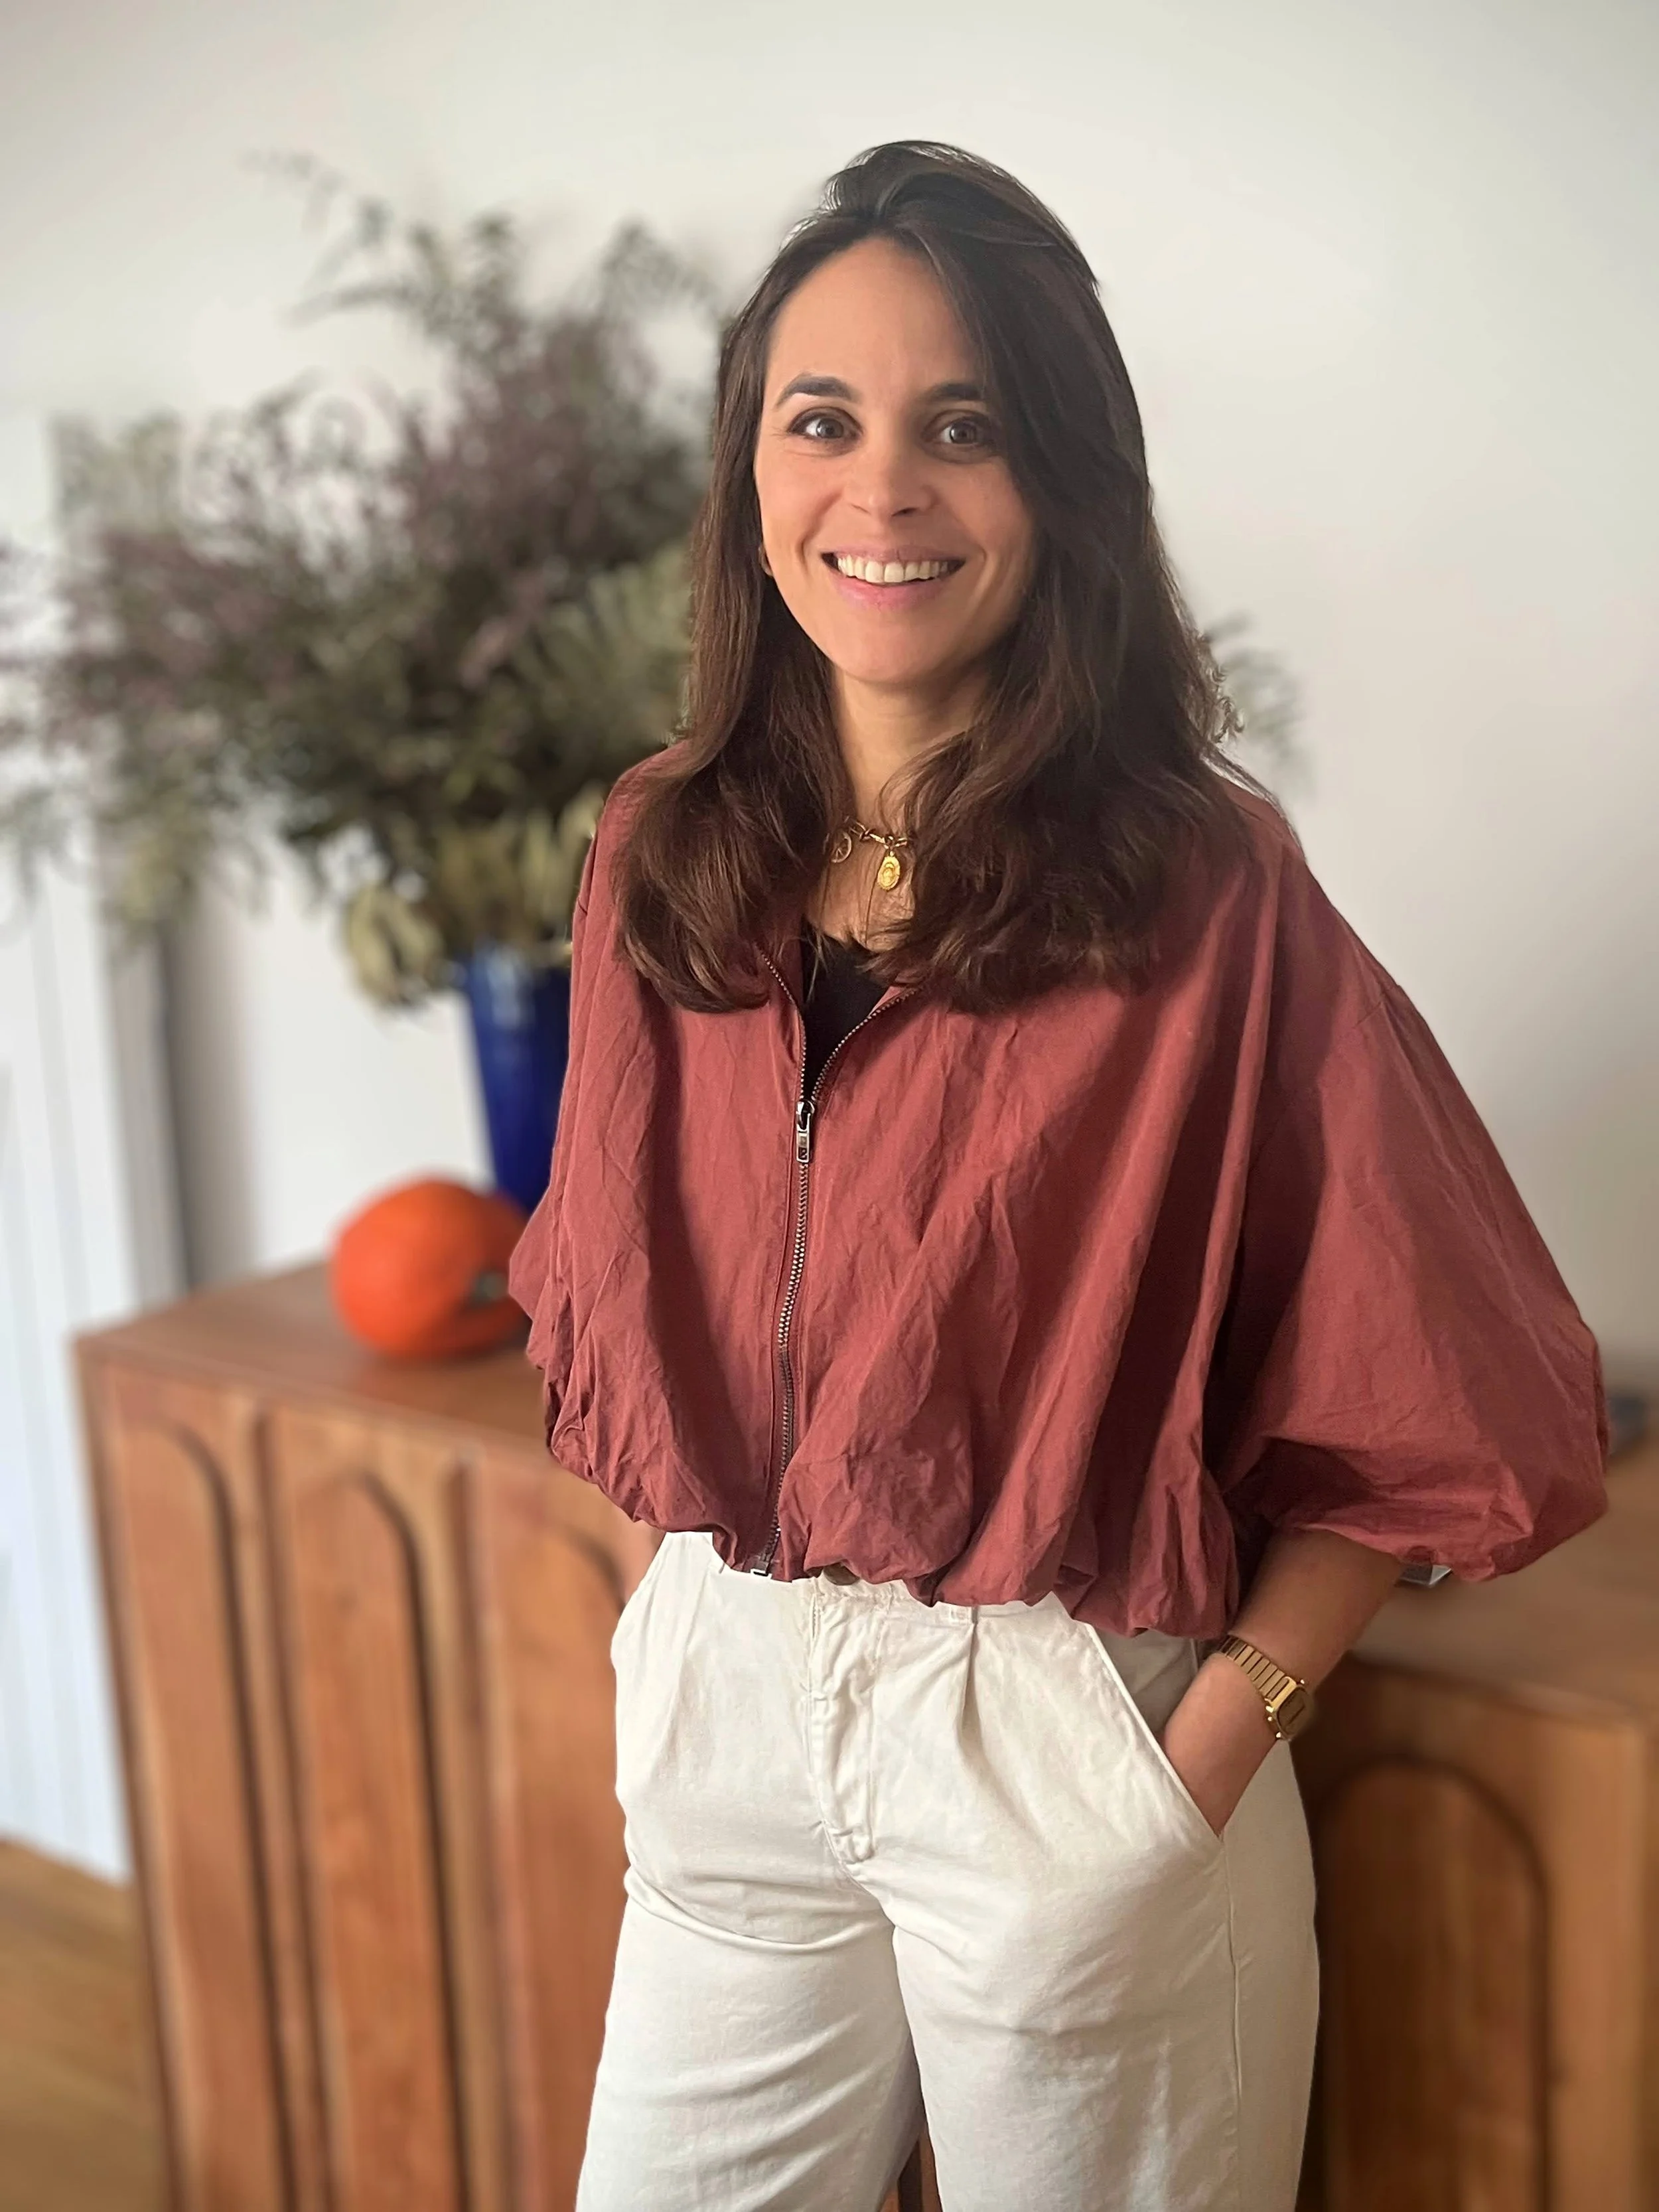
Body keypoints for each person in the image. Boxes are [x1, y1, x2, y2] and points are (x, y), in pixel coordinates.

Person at [508, 141, 1607, 2212]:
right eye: (817, 419)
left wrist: (1196, 1756)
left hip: (1065, 1730)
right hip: (727, 1710)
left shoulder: (1202, 892)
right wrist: (680, 1648)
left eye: (965, 428)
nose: (881, 487)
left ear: (1064, 487)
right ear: (751, 472)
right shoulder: (660, 848)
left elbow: (1432, 1363)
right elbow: (625, 1277)